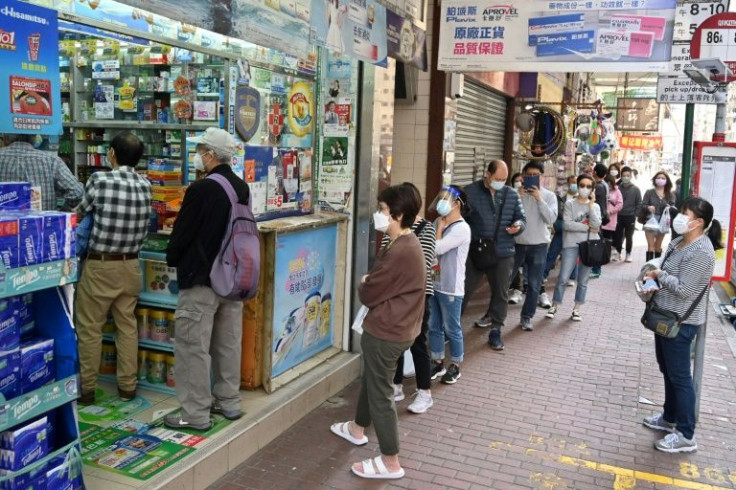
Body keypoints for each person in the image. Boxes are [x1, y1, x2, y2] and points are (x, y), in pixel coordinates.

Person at [330, 184, 425, 480]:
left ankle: (390, 460)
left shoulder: (401, 249)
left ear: (398, 215)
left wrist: (365, 281)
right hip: (397, 328)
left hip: (387, 331)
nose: (378, 215)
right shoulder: (402, 241)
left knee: (381, 392)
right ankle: (358, 428)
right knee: (374, 380)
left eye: (383, 210)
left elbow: (370, 292)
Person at [165, 128, 250, 430]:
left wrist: (172, 257)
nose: (199, 155)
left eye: (201, 150)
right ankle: (228, 402)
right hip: (232, 279)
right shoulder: (242, 187)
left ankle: (195, 414)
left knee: (192, 348)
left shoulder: (201, 189)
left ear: (211, 154)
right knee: (227, 343)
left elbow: (182, 235)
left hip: (201, 279)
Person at [76, 132, 152, 405]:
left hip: (101, 265)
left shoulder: (99, 179)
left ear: (111, 153)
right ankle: (127, 387)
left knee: (90, 328)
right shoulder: (146, 185)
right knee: (127, 326)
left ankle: (87, 389)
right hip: (131, 264)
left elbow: (80, 212)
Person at [641, 197, 721, 453]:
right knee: (668, 371)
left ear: (699, 222)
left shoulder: (701, 251)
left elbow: (685, 289)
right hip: (663, 316)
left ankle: (686, 434)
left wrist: (659, 275)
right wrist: (651, 276)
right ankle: (669, 417)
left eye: (685, 213)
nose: (679, 217)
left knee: (681, 377)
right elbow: (662, 267)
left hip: (680, 322)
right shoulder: (678, 242)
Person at [382, 183, 435, 415]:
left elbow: (423, 264)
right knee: (396, 342)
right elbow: (383, 258)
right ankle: (396, 385)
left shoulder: (425, 228)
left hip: (418, 296)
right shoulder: (390, 228)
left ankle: (425, 392)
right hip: (394, 297)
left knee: (417, 342)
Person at [463, 159, 526, 351]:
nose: (501, 182)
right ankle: (451, 329)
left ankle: (496, 329)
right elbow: (459, 218)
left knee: (500, 292)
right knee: (463, 290)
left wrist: (518, 227)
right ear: (487, 175)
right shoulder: (469, 191)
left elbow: (521, 218)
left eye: (504, 179)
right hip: (476, 250)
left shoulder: (511, 195)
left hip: (503, 251)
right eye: (497, 178)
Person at [428, 185, 471, 384]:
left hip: (451, 285)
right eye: (441, 198)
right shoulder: (439, 221)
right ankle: (437, 361)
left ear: (457, 204)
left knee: (452, 327)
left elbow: (437, 248)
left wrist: (438, 230)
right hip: (435, 280)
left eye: (445, 199)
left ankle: (456, 365)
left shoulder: (461, 228)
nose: (441, 203)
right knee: (434, 325)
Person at [545, 174, 601, 322]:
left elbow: (597, 225)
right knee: (563, 277)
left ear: (592, 189)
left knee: (582, 280)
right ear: (578, 185)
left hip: (589, 246)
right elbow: (567, 224)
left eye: (589, 186)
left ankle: (577, 309)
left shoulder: (595, 206)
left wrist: (591, 206)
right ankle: (555, 305)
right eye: (582, 185)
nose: (584, 188)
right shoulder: (570, 203)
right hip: (571, 244)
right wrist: (587, 227)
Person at [510, 162, 557, 332]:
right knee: (504, 280)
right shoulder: (515, 194)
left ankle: (526, 316)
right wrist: (518, 196)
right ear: (523, 175)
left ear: (541, 177)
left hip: (539, 245)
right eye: (528, 175)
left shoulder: (550, 196)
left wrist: (539, 199)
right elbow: (507, 216)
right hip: (516, 244)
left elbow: (551, 219)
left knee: (534, 284)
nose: (531, 178)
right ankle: (492, 314)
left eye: (535, 175)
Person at [0, 133, 83, 210]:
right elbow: (77, 192)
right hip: (43, 224)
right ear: (35, 139)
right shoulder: (51, 160)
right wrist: (61, 212)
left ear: (6, 138)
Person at [541, 174, 578, 305]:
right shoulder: (560, 198)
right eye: (572, 182)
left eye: (576, 182)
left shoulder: (580, 199)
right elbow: (558, 215)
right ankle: (544, 274)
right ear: (568, 183)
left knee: (572, 255)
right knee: (552, 254)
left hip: (573, 234)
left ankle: (572, 277)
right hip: (561, 232)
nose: (574, 185)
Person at [642, 171, 676, 261]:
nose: (660, 180)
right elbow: (643, 205)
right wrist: (648, 207)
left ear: (667, 181)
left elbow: (673, 206)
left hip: (663, 221)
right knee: (650, 245)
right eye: (658, 178)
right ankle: (649, 267)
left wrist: (668, 207)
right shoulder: (649, 192)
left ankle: (657, 266)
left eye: (663, 178)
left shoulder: (670, 194)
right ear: (655, 180)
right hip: (650, 220)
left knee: (658, 246)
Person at [614, 166, 641, 263]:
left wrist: (635, 214)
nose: (626, 177)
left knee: (629, 236)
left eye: (628, 175)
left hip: (630, 216)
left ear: (631, 176)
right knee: (618, 235)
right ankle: (618, 253)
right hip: (618, 216)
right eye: (624, 175)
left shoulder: (636, 189)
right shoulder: (617, 188)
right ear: (621, 176)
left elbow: (639, 203)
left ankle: (628, 254)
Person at [590, 164, 610, 279]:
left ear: (595, 172)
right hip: (600, 215)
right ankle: (596, 268)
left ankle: (596, 268)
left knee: (596, 243)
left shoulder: (599, 186)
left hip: (598, 217)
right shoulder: (604, 185)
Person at [507, 173, 524, 305]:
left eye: (521, 181)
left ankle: (519, 290)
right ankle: (515, 289)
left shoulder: (528, 195)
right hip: (512, 238)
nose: (519, 183)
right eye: (516, 181)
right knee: (513, 266)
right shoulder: (510, 196)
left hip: (527, 238)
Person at [601, 174, 623, 260]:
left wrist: (611, 211)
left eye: (610, 183)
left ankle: (606, 255)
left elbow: (620, 204)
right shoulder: (601, 189)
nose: (609, 184)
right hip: (601, 217)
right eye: (607, 182)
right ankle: (601, 255)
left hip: (611, 218)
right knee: (600, 236)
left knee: (608, 237)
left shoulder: (617, 191)